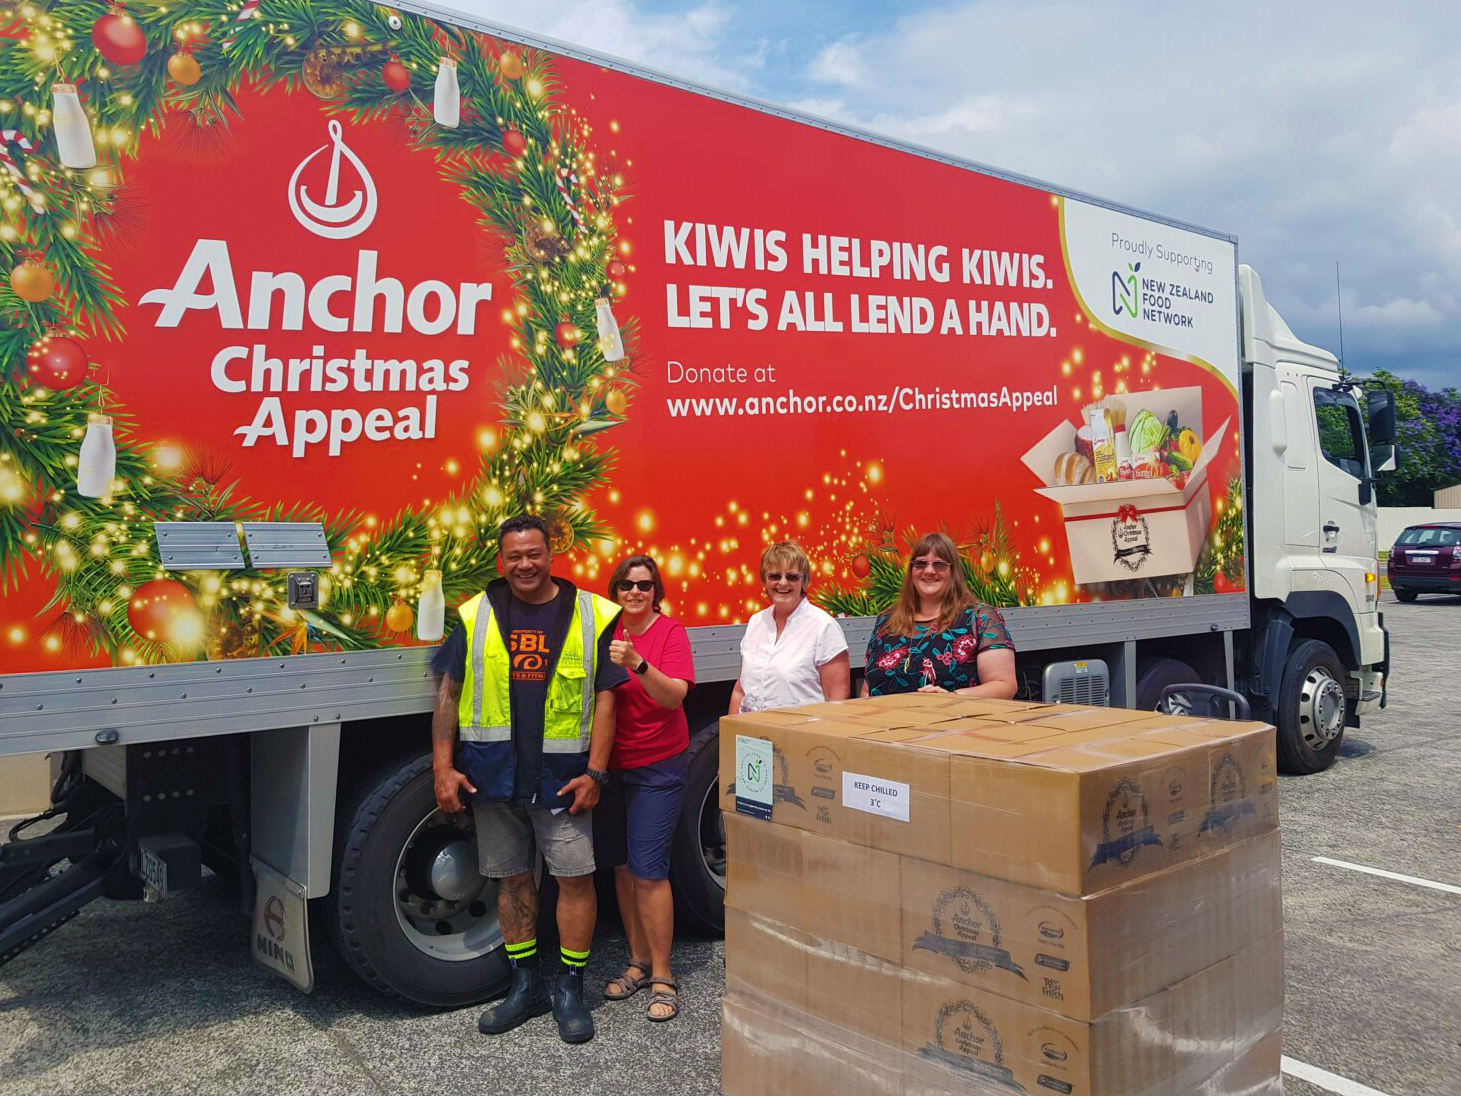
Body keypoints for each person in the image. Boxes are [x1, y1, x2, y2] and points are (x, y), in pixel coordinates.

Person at [430, 514, 627, 1044]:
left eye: (533, 553)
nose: (524, 564)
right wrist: (442, 766)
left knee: (574, 880)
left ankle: (569, 989)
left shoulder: (590, 613)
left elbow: (607, 698)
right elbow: (448, 693)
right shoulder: (476, 615)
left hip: (564, 781)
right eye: (514, 555)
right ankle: (525, 985)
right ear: (502, 560)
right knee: (513, 880)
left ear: (550, 554)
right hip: (495, 780)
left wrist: (596, 772)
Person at [596, 555, 696, 1022]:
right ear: (615, 591)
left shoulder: (669, 632)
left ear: (656, 591)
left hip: (658, 766)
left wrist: (637, 663)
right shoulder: (604, 631)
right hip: (611, 768)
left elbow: (674, 694)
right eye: (626, 585)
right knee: (621, 867)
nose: (634, 592)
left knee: (649, 870)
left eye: (644, 585)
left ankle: (663, 976)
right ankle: (636, 962)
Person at [861, 532, 1018, 699]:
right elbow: (867, 690)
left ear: (954, 571)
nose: (929, 571)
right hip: (887, 723)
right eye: (920, 564)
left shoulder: (980, 618)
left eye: (940, 564)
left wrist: (952, 698)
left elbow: (1004, 686)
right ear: (911, 570)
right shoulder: (886, 620)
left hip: (956, 722)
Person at [730, 541, 851, 713]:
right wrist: (730, 733)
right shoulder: (756, 622)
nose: (783, 583)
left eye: (792, 577)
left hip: (801, 736)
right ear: (765, 580)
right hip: (752, 736)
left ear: (804, 582)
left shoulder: (823, 627)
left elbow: (837, 702)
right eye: (775, 576)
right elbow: (740, 691)